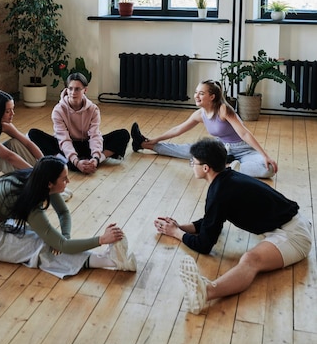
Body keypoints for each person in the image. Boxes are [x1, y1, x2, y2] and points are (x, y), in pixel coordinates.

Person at [153, 137, 312, 315]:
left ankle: (206, 292)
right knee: (249, 255)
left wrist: (175, 233)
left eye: (193, 162)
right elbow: (211, 220)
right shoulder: (227, 178)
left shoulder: (219, 192)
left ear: (205, 168)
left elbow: (205, 245)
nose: (191, 165)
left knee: (251, 260)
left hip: (294, 236)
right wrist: (179, 227)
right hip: (290, 223)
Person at [0, 156, 137, 278]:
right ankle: (108, 260)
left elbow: (63, 213)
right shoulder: (31, 201)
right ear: (50, 183)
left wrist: (63, 238)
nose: (68, 182)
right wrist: (101, 239)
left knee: (47, 238)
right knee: (41, 246)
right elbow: (62, 246)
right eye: (65, 179)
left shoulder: (36, 179)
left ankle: (98, 258)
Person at [131, 79, 276, 178]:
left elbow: (244, 133)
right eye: (196, 92)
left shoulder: (224, 110)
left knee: (268, 169)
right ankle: (143, 144)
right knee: (185, 150)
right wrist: (154, 140)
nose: (196, 96)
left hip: (243, 149)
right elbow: (177, 130)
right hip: (220, 149)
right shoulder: (200, 114)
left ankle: (226, 167)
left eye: (201, 93)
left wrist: (264, 155)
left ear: (212, 96)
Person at [28, 73, 130, 175]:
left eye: (77, 89)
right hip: (66, 146)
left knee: (123, 134)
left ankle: (95, 161)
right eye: (70, 88)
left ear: (85, 90)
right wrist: (75, 162)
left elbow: (94, 136)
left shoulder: (93, 109)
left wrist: (95, 158)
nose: (73, 92)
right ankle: (68, 163)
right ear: (66, 89)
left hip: (87, 145)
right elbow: (64, 139)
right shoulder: (58, 110)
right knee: (33, 134)